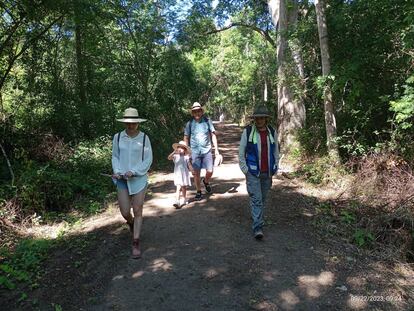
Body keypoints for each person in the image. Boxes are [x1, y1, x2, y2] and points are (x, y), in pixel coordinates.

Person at [112, 107, 153, 259]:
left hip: (139, 179)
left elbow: (148, 159)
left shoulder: (144, 138)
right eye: (128, 123)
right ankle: (130, 223)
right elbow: (115, 156)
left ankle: (136, 241)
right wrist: (117, 170)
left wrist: (134, 171)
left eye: (133, 123)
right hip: (122, 179)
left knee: (138, 209)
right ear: (124, 123)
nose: (130, 125)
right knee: (124, 212)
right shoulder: (117, 137)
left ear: (138, 122)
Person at [238, 105, 279, 240]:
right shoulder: (248, 132)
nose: (259, 120)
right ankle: (258, 227)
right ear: (254, 119)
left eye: (262, 118)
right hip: (253, 172)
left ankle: (257, 216)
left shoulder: (272, 132)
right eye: (257, 118)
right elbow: (241, 151)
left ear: (266, 119)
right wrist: (245, 169)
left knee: (262, 198)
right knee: (256, 199)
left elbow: (275, 151)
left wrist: (276, 165)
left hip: (267, 172)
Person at [184, 102, 221, 201]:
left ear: (201, 111)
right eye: (194, 111)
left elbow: (213, 135)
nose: (197, 113)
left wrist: (216, 150)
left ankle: (205, 181)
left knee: (210, 170)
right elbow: (186, 137)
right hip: (195, 151)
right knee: (196, 173)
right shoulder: (189, 124)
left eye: (198, 111)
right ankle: (198, 191)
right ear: (192, 113)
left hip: (207, 150)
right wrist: (187, 150)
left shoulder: (207, 121)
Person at [167, 140, 194, 209]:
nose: (180, 149)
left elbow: (189, 165)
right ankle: (177, 201)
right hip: (178, 174)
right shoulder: (175, 156)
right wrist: (174, 152)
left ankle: (184, 199)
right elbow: (169, 158)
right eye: (179, 148)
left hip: (184, 174)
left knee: (184, 187)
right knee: (178, 188)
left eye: (182, 148)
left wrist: (192, 170)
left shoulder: (186, 157)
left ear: (185, 150)